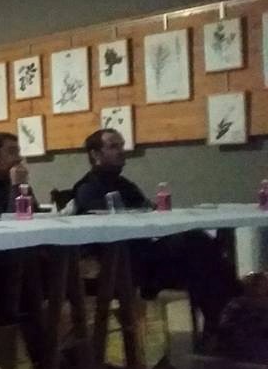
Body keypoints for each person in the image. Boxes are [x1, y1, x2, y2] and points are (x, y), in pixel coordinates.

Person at [72, 128, 238, 343]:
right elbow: (108, 230)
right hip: (121, 263)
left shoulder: (124, 185)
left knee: (201, 254)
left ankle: (222, 321)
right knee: (198, 246)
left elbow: (148, 211)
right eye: (113, 146)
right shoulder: (87, 189)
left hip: (143, 254)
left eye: (121, 145)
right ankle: (225, 317)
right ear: (95, 154)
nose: (121, 151)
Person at [0, 132, 40, 220]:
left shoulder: (13, 182)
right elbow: (11, 222)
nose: (19, 158)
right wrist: (17, 187)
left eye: (18, 152)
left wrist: (22, 186)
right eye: (12, 152)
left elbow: (36, 215)